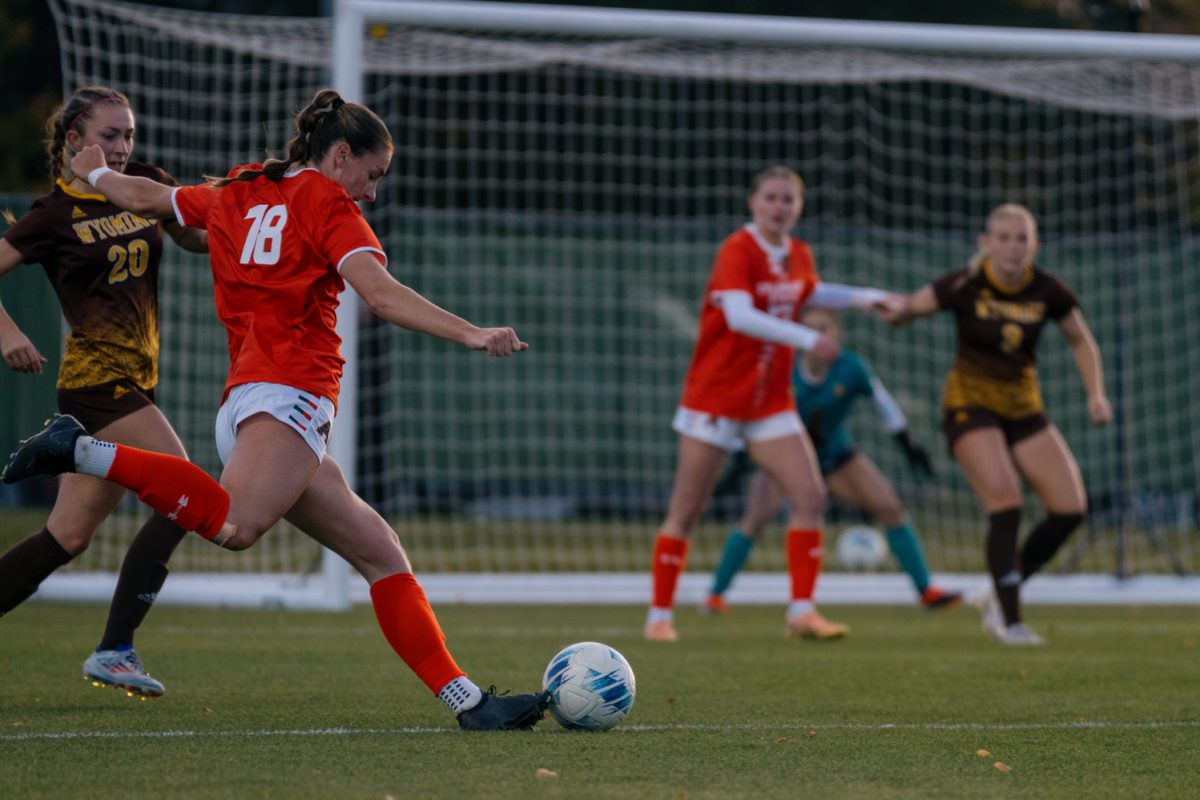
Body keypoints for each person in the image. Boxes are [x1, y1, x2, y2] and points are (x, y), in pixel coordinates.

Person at [3, 89, 547, 730]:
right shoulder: (326, 201)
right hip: (287, 397)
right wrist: (472, 333)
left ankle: (469, 704)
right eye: (371, 175)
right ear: (340, 155)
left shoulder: (239, 189)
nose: (370, 193)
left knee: (381, 554)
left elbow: (147, 199)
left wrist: (95, 173)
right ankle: (80, 448)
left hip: (256, 403)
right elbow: (381, 295)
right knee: (234, 528)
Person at [0, 85, 208, 698]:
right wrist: (8, 333)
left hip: (133, 385)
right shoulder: (52, 214)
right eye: (109, 135)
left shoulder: (139, 181)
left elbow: (192, 237)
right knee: (187, 492)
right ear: (73, 141)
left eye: (129, 135)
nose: (122, 148)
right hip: (95, 386)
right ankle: (115, 648)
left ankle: (114, 647)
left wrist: (228, 219)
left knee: (66, 537)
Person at [643, 164, 901, 643]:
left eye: (789, 200)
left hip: (768, 403)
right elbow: (740, 316)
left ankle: (802, 611)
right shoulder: (737, 249)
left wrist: (868, 298)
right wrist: (806, 336)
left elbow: (810, 292)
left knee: (810, 496)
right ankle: (659, 615)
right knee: (687, 510)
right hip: (716, 398)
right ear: (753, 203)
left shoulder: (798, 252)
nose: (780, 207)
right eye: (771, 198)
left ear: (799, 208)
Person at [882, 203, 1111, 645]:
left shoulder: (1046, 289)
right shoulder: (965, 282)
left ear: (1034, 245)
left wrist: (1095, 394)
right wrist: (893, 312)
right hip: (969, 405)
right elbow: (912, 308)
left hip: (1023, 406)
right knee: (1005, 501)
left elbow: (1081, 340)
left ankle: (1000, 589)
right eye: (1003, 238)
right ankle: (1011, 621)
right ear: (986, 244)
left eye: (1021, 238)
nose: (1012, 246)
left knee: (1070, 509)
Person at [703, 307, 962, 614]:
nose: (818, 336)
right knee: (756, 518)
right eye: (810, 329)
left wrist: (908, 444)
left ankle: (926, 591)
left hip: (834, 455)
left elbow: (884, 404)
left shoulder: (851, 367)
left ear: (838, 335)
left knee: (889, 506)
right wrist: (739, 464)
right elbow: (749, 415)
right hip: (784, 459)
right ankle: (715, 595)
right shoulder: (780, 370)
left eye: (824, 328)